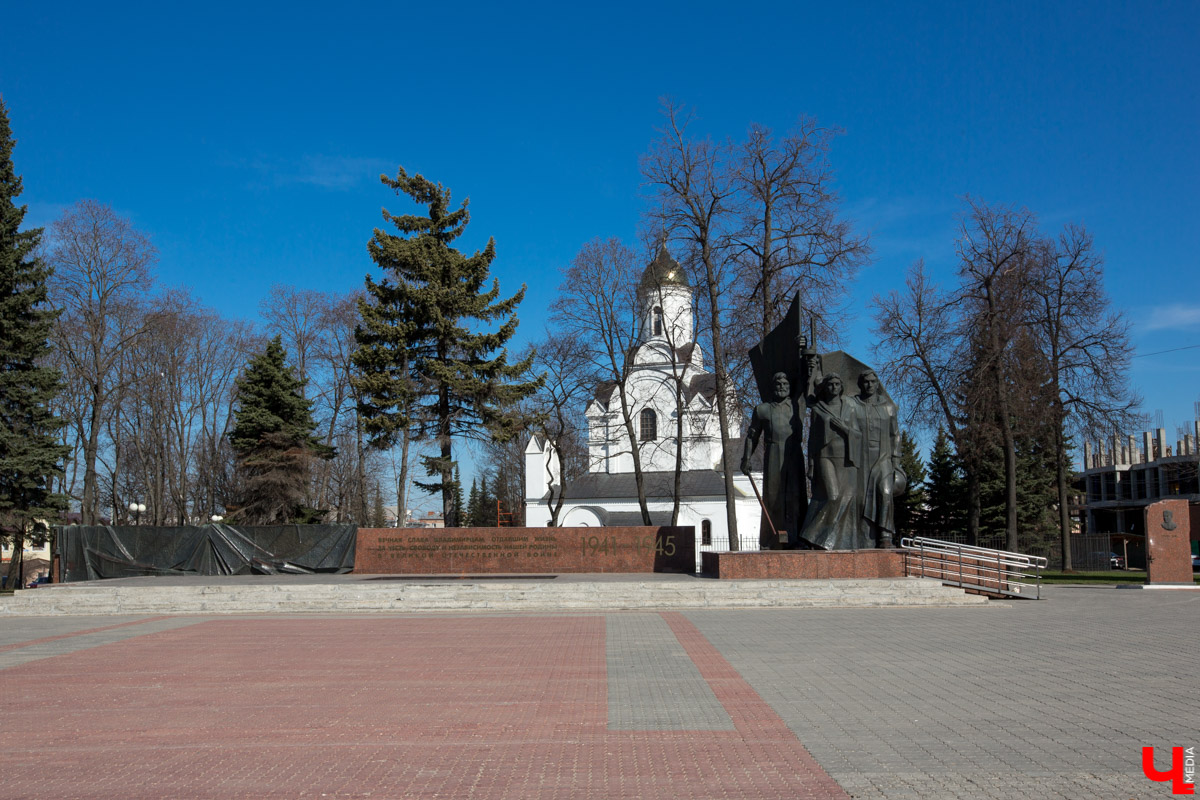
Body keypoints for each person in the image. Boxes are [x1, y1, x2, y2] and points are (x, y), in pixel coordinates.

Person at [798, 373, 865, 550]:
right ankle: (810, 535)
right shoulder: (818, 409)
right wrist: (811, 464)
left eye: (837, 384)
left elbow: (859, 434)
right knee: (832, 496)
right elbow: (812, 439)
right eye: (830, 384)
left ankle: (832, 541)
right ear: (825, 387)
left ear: (841, 387)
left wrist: (845, 429)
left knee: (848, 499)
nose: (834, 387)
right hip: (825, 456)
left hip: (847, 459)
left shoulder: (849, 407)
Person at [741, 372, 802, 549]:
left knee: (794, 496)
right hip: (774, 452)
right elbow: (752, 435)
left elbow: (808, 379)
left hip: (794, 453)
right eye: (778, 384)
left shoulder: (796, 406)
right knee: (773, 497)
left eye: (785, 384)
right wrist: (746, 458)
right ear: (772, 388)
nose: (782, 387)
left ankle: (795, 537)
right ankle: (773, 537)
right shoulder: (763, 409)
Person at [852, 370, 905, 548]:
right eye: (866, 381)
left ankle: (885, 535)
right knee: (862, 497)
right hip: (860, 457)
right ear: (860, 384)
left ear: (877, 384)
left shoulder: (888, 407)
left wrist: (896, 462)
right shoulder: (853, 405)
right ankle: (864, 537)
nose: (869, 385)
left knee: (885, 492)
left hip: (883, 457)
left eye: (873, 382)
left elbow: (895, 435)